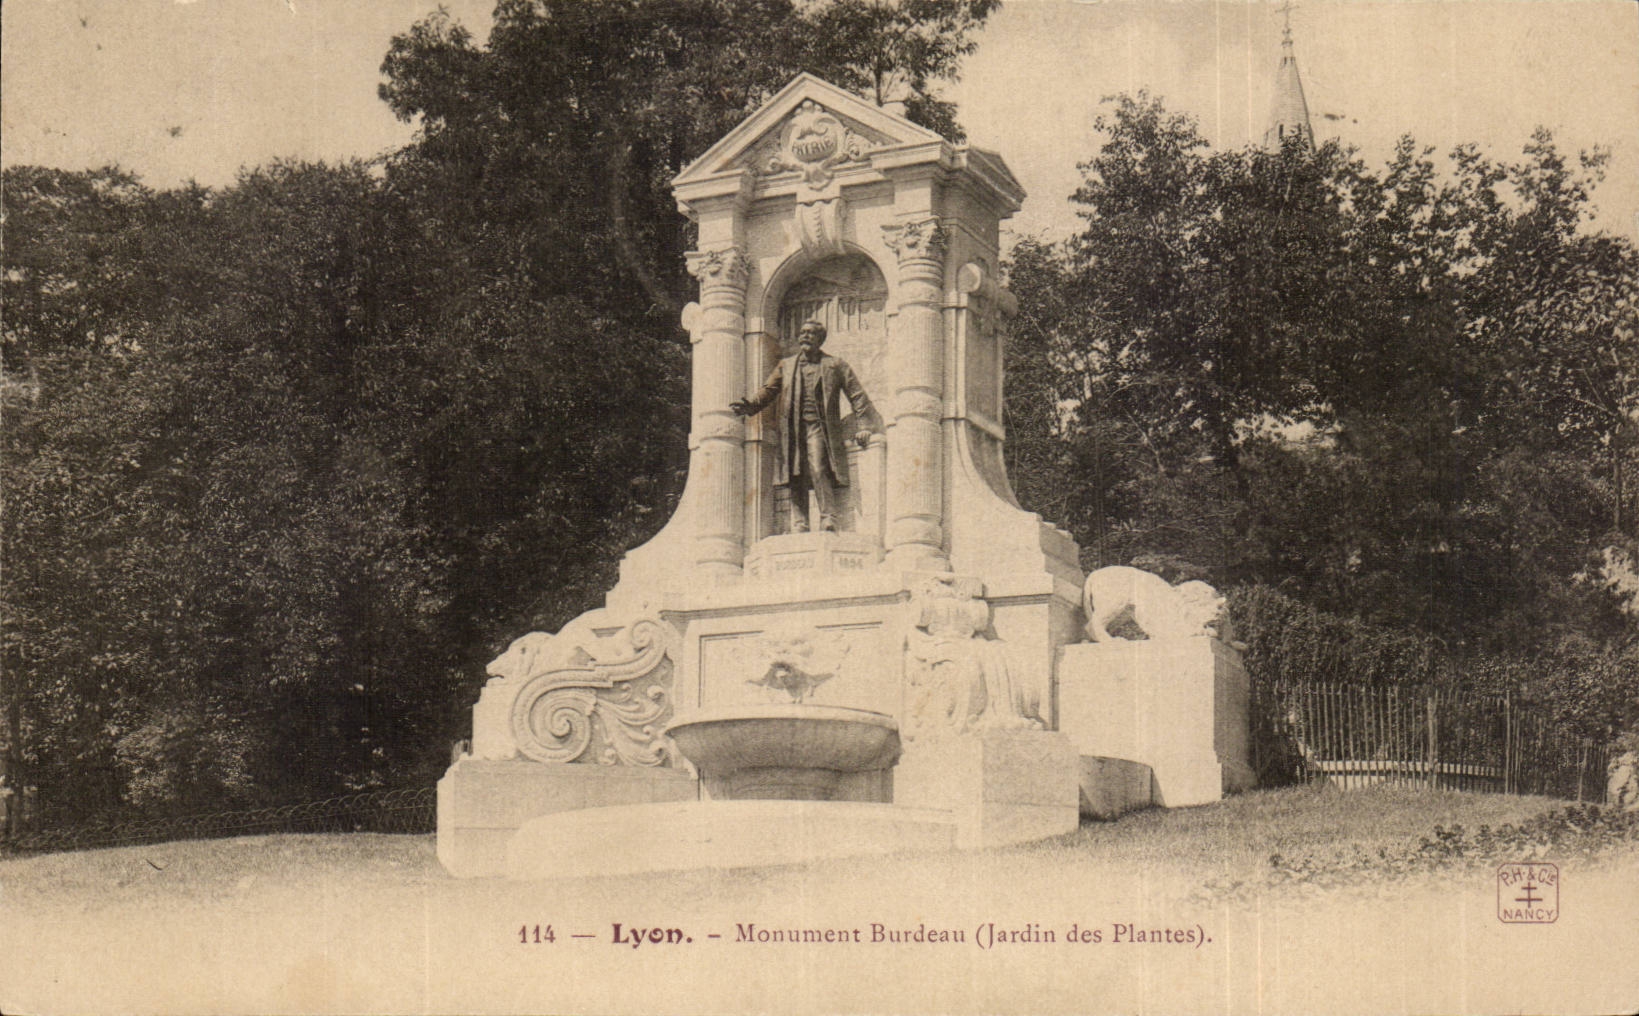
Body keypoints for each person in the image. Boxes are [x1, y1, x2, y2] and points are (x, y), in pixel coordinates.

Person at [731, 320, 876, 533]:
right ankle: (800, 522)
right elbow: (769, 390)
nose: (805, 336)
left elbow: (857, 395)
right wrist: (750, 405)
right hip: (792, 427)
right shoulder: (787, 365)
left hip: (820, 427)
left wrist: (864, 425)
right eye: (803, 333)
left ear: (820, 339)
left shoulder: (835, 364)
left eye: (811, 333)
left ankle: (828, 517)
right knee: (794, 471)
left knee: (818, 467)